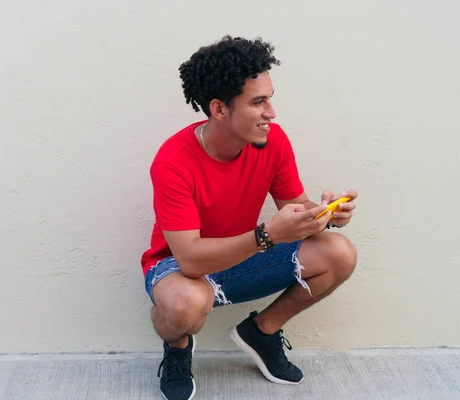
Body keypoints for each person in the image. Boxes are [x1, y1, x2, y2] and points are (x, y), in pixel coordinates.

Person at [140, 35, 358, 400]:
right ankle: (177, 348)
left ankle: (262, 332)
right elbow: (190, 259)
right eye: (259, 102)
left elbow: (298, 208)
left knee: (339, 252)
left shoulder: (273, 141)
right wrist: (267, 235)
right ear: (220, 109)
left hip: (245, 256)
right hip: (178, 268)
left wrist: (327, 214)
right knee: (183, 308)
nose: (271, 112)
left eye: (270, 98)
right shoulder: (172, 161)